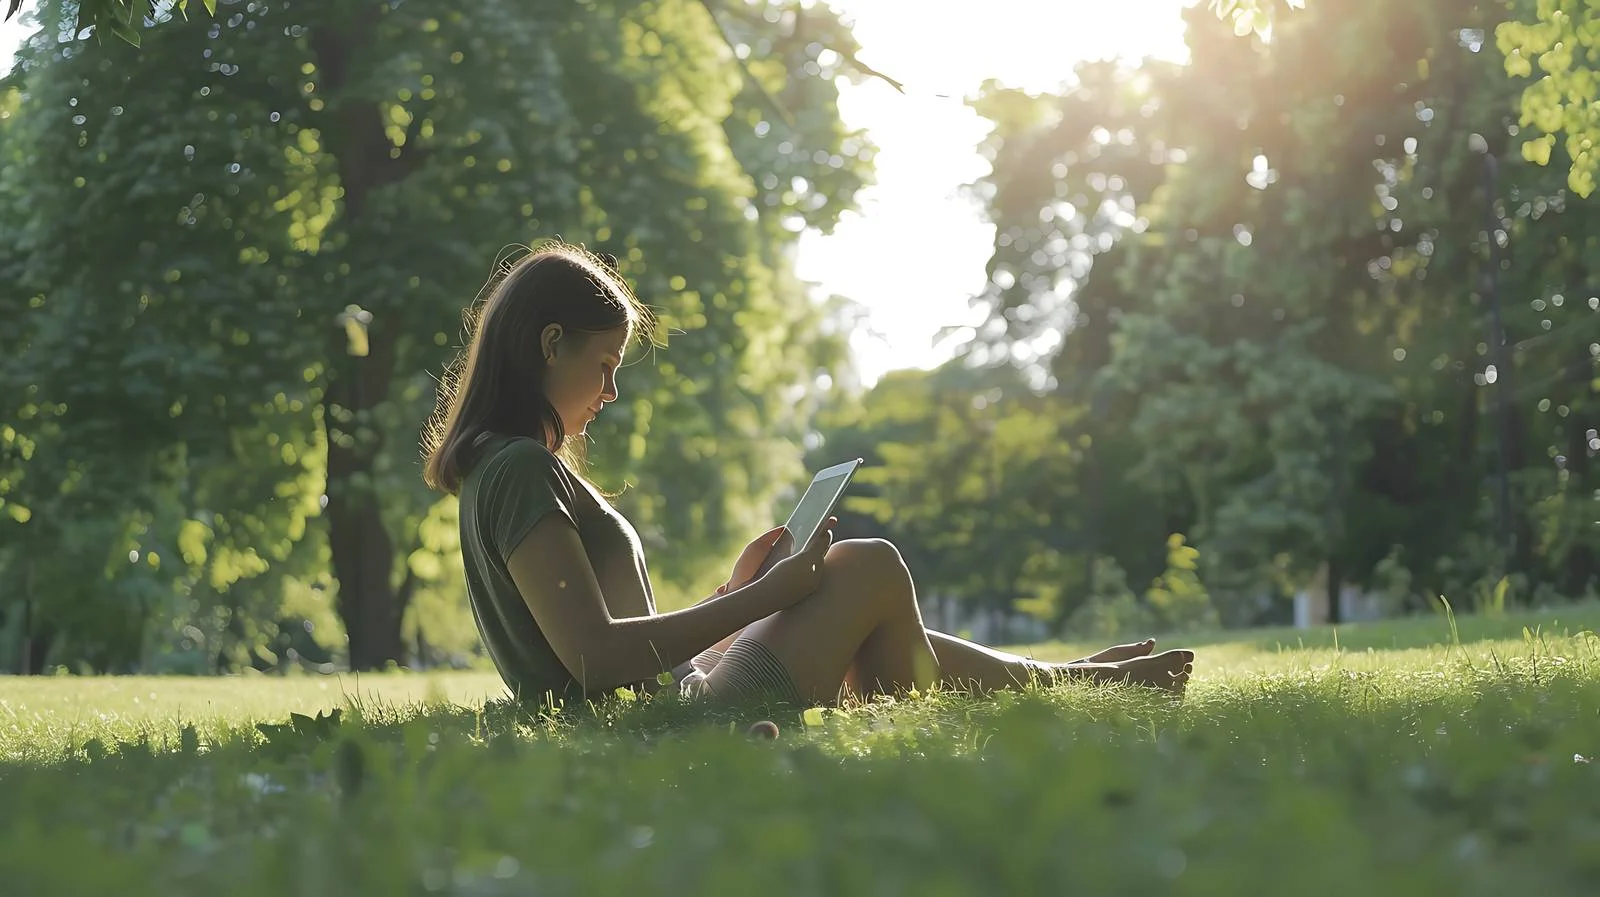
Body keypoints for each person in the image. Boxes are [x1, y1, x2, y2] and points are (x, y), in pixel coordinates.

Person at [421, 242, 1194, 711]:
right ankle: (1070, 684)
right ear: (551, 343)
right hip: (666, 726)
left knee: (864, 596)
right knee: (870, 566)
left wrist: (733, 598)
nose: (611, 391)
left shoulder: (513, 467)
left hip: (673, 696)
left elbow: (612, 632)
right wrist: (764, 599)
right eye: (605, 365)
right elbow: (596, 657)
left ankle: (1070, 680)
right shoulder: (520, 469)